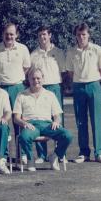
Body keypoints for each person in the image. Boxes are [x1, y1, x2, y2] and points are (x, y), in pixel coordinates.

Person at [13, 68, 73, 172]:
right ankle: (30, 159)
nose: (36, 81)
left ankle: (55, 156)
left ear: (43, 79)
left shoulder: (50, 94)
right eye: (33, 78)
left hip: (48, 125)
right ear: (28, 79)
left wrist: (56, 121)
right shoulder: (21, 95)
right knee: (23, 137)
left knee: (67, 135)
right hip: (31, 125)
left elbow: (57, 115)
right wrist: (24, 123)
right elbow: (16, 118)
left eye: (38, 78)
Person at [0, 23, 31, 163]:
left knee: (20, 121)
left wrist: (14, 79)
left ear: (16, 35)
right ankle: (3, 155)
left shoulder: (23, 49)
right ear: (2, 34)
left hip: (17, 88)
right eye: (7, 34)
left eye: (12, 34)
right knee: (2, 121)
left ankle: (22, 154)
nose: (9, 36)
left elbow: (26, 67)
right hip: (0, 89)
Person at [66, 23, 101, 163]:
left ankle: (99, 152)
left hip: (94, 85)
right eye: (78, 34)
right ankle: (84, 152)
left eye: (84, 34)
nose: (81, 37)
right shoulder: (71, 52)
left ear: (88, 35)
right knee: (81, 121)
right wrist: (81, 81)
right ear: (75, 36)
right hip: (78, 87)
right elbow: (70, 72)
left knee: (96, 120)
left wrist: (93, 81)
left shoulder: (96, 49)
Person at [30, 25, 66, 163]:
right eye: (40, 35)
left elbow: (63, 72)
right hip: (40, 89)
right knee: (40, 119)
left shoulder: (59, 52)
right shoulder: (33, 54)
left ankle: (60, 154)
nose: (42, 37)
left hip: (55, 86)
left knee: (57, 120)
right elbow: (32, 75)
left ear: (50, 35)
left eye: (45, 34)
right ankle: (41, 155)